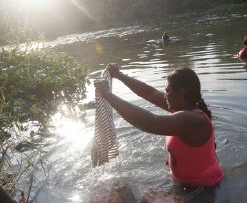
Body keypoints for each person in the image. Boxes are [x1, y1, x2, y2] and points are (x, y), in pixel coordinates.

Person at [94, 64, 223, 187]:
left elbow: (151, 122)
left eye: (167, 91)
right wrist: (120, 75)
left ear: (181, 93)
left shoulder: (192, 120)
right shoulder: (181, 106)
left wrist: (109, 96)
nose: (165, 96)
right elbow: (149, 93)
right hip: (186, 183)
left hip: (204, 189)